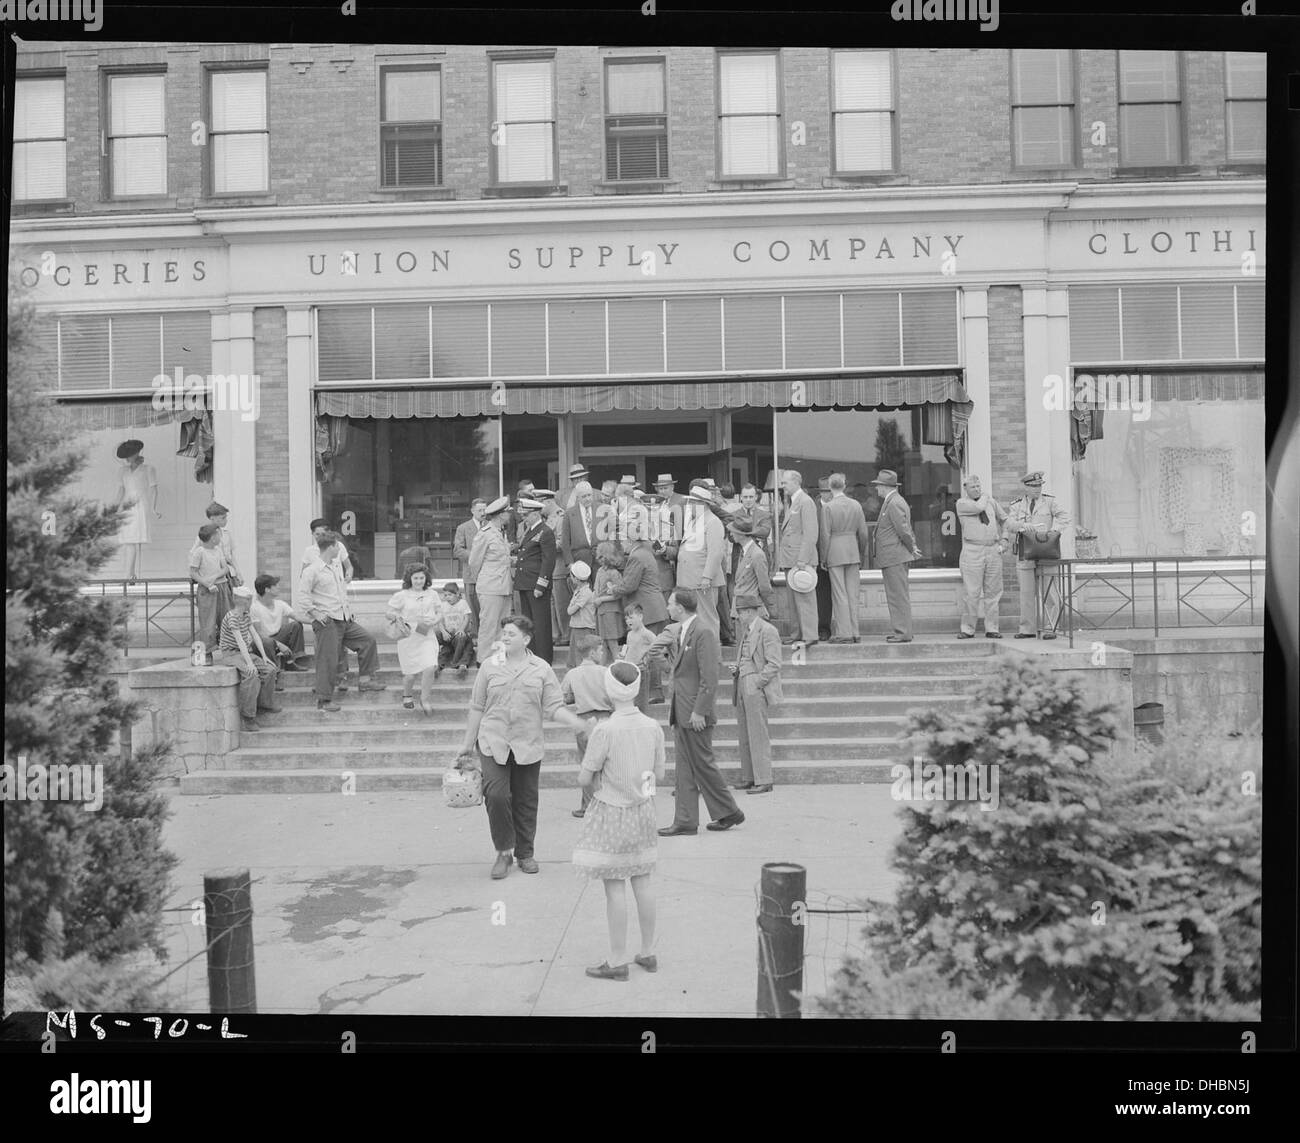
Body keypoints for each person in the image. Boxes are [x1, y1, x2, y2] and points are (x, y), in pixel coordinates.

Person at [454, 615, 591, 880]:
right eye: (503, 633)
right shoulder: (489, 667)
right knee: (496, 795)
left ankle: (525, 853)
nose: (504, 637)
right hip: (492, 741)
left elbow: (553, 707)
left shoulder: (541, 669)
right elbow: (477, 706)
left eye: (511, 634)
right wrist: (467, 744)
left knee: (526, 800)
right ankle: (504, 850)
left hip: (527, 743)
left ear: (526, 639)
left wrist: (578, 724)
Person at [572, 659, 666, 981]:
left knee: (615, 889)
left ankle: (616, 960)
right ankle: (648, 951)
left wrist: (602, 782)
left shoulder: (605, 729)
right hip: (642, 812)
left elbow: (585, 778)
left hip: (611, 812)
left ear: (610, 690)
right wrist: (642, 795)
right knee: (643, 881)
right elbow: (659, 774)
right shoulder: (652, 727)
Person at [650, 587, 744, 836]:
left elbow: (710, 675)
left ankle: (729, 811)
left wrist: (700, 710)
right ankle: (685, 819)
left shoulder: (703, 632)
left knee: (702, 764)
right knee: (684, 768)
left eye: (670, 603)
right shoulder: (683, 630)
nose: (668, 607)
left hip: (694, 712)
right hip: (682, 710)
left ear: (680, 607)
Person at [299, 534, 386, 712]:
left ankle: (365, 681)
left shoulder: (336, 566)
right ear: (330, 547)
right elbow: (302, 597)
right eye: (337, 546)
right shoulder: (312, 570)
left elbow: (340, 592)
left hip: (344, 618)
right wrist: (316, 614)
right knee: (328, 660)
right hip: (327, 622)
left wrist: (348, 609)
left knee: (367, 640)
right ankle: (324, 700)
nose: (340, 549)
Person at [1005, 469, 1071, 640]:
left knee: (1050, 593)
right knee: (1026, 593)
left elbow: (1064, 517)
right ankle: (1027, 629)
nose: (1037, 489)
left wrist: (1054, 531)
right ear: (1025, 487)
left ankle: (1051, 628)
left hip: (1046, 551)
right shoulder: (1017, 504)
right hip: (1025, 552)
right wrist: (1022, 525)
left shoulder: (1050, 502)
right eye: (1033, 486)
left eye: (1039, 485)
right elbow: (1008, 523)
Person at [729, 593, 783, 795]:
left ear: (750, 611)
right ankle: (749, 777)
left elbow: (774, 663)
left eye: (740, 612)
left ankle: (764, 778)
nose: (738, 616)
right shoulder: (747, 631)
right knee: (744, 733)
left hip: (754, 684)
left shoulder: (767, 630)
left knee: (758, 733)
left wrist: (757, 682)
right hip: (742, 682)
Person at [217, 585, 282, 732]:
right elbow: (239, 641)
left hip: (245, 652)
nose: (251, 602)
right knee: (251, 675)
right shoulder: (231, 617)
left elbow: (255, 636)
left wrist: (264, 657)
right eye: (250, 600)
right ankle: (248, 717)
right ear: (245, 601)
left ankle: (265, 703)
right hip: (231, 654)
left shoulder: (246, 615)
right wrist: (249, 663)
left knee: (270, 670)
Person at [564, 635, 613, 819]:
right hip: (605, 717)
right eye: (600, 650)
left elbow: (565, 696)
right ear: (592, 652)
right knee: (607, 763)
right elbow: (613, 695)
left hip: (583, 720)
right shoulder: (605, 672)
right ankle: (609, 802)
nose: (602, 653)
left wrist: (575, 698)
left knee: (587, 763)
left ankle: (587, 805)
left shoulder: (572, 673)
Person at [871, 469, 922, 643]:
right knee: (897, 595)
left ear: (885, 487)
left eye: (878, 486)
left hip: (895, 557)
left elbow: (904, 530)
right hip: (893, 557)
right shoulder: (893, 501)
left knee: (897, 596)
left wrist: (912, 547)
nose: (877, 489)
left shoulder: (894, 503)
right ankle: (903, 630)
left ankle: (903, 633)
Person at [955, 474, 1009, 639]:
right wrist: (986, 496)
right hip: (973, 550)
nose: (977, 489)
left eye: (979, 486)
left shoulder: (990, 502)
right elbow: (979, 508)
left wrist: (1005, 538)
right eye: (973, 487)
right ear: (965, 489)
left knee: (993, 592)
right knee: (972, 593)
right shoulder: (962, 503)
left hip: (992, 549)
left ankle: (992, 628)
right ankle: (968, 629)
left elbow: (1004, 519)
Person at [386, 564, 443, 713]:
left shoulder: (433, 594)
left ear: (426, 578)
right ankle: (407, 694)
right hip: (408, 636)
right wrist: (396, 616)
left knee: (430, 666)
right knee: (410, 675)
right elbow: (389, 613)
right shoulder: (401, 595)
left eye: (421, 578)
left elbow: (439, 612)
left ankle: (425, 699)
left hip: (427, 635)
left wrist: (435, 620)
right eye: (415, 578)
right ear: (409, 579)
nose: (419, 581)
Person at [823, 472, 871, 643]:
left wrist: (823, 557)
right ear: (844, 485)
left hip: (835, 552)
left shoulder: (828, 507)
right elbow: (864, 533)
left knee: (839, 594)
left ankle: (844, 633)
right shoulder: (856, 505)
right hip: (852, 551)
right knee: (853, 594)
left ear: (830, 487)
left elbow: (825, 535)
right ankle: (855, 631)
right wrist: (861, 552)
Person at [776, 469, 820, 646]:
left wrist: (803, 560)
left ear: (796, 482)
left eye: (785, 482)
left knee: (804, 599)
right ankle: (797, 634)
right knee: (794, 601)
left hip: (800, 560)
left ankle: (809, 635)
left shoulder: (805, 502)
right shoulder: (794, 502)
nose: (783, 486)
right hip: (791, 559)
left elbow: (811, 534)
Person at [675, 485, 726, 635]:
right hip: (690, 580)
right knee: (693, 620)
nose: (689, 505)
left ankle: (712, 655)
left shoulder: (713, 522)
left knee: (707, 619)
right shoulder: (695, 521)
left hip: (702, 581)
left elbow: (716, 553)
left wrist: (707, 577)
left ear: (702, 504)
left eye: (693, 502)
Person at [469, 496, 514, 665]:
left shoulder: (501, 533)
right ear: (500, 515)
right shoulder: (485, 534)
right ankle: (484, 660)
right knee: (489, 625)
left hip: (504, 586)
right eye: (507, 513)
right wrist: (484, 580)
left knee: (502, 626)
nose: (509, 515)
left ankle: (498, 659)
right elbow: (474, 562)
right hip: (490, 587)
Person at [512, 496, 557, 664]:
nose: (524, 518)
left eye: (527, 514)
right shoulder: (530, 531)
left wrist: (541, 584)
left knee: (541, 623)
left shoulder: (545, 531)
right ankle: (532, 656)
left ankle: (544, 659)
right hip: (525, 582)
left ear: (536, 514)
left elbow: (548, 560)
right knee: (529, 622)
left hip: (536, 583)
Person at [112, 439, 159, 582]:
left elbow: (154, 489)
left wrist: (153, 508)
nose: (127, 458)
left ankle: (128, 577)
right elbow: (121, 490)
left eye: (130, 454)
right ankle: (131, 576)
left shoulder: (148, 469)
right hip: (127, 506)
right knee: (127, 542)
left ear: (137, 453)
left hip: (140, 506)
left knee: (131, 541)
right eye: (126, 455)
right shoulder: (122, 471)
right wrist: (114, 508)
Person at [189, 522, 234, 662]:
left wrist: (214, 577)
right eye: (218, 534)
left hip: (222, 587)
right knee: (208, 622)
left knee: (227, 618)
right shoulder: (199, 552)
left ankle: (231, 649)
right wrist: (206, 582)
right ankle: (206, 653)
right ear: (212, 537)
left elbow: (225, 568)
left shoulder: (218, 550)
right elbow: (193, 572)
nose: (220, 537)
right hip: (207, 590)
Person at [251, 573, 308, 671]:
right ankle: (274, 670)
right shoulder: (255, 608)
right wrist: (278, 644)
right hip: (262, 643)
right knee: (267, 641)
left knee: (296, 625)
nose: (279, 587)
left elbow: (297, 617)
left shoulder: (280, 604)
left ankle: (292, 661)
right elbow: (259, 634)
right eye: (275, 585)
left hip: (276, 637)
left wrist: (316, 621)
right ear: (267, 589)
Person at [728, 516, 776, 621]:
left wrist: (767, 606)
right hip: (742, 606)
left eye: (733, 531)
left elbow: (764, 586)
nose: (731, 534)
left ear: (741, 534)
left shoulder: (757, 554)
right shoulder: (744, 551)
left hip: (751, 608)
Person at [452, 498, 488, 634]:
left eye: (485, 510)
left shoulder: (491, 526)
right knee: (473, 607)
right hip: (471, 575)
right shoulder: (463, 528)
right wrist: (476, 556)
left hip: (488, 574)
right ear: (472, 511)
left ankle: (486, 635)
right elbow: (458, 550)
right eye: (480, 510)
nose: (483, 513)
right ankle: (475, 635)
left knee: (487, 607)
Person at [621, 601, 664, 711]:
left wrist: (647, 658)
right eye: (626, 619)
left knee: (641, 701)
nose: (628, 621)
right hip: (629, 670)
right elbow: (628, 647)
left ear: (640, 616)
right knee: (631, 700)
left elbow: (659, 646)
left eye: (631, 617)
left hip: (641, 670)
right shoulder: (630, 634)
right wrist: (622, 655)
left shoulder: (647, 633)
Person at [592, 541, 628, 664]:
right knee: (603, 641)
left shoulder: (614, 573)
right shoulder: (600, 571)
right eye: (599, 556)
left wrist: (601, 599)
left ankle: (618, 665)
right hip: (601, 610)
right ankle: (602, 669)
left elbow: (618, 594)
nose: (599, 559)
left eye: (602, 556)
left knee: (612, 642)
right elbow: (596, 589)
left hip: (611, 611)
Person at [434, 581, 475, 675]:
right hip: (447, 635)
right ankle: (436, 665)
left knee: (461, 643)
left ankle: (457, 663)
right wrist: (443, 632)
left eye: (450, 595)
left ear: (457, 594)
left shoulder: (463, 603)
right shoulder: (443, 605)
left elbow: (466, 617)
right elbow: (439, 620)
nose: (447, 597)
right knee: (436, 636)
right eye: (445, 595)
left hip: (459, 635)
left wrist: (461, 629)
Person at [565, 559, 597, 668]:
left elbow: (570, 610)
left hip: (583, 627)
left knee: (581, 654)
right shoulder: (578, 590)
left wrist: (571, 606)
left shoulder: (585, 593)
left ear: (576, 579)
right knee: (575, 654)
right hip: (577, 626)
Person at [813, 477, 834, 641]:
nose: (829, 495)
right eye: (826, 491)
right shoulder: (812, 506)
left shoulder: (838, 504)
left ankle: (843, 629)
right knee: (823, 595)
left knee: (841, 595)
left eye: (830, 491)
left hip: (837, 556)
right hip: (818, 558)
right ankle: (823, 628)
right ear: (820, 492)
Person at [205, 501, 242, 588]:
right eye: (222, 518)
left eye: (225, 517)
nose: (225, 520)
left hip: (227, 574)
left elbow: (231, 556)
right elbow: (194, 554)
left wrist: (238, 572)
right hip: (212, 575)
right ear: (212, 518)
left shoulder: (227, 534)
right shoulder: (205, 534)